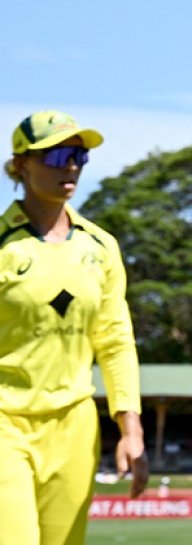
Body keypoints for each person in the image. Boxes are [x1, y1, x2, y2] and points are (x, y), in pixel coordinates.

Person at [1, 110, 148, 544]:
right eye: (57, 155)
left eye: (79, 156)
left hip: (75, 426)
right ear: (21, 164)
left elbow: (116, 342)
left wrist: (131, 430)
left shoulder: (101, 246)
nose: (69, 166)